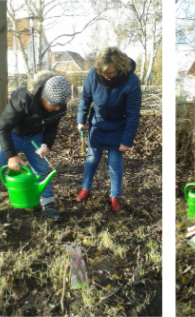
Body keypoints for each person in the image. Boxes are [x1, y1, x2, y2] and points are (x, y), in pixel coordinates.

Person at [0, 71, 72, 224]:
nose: (57, 109)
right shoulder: (22, 98)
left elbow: (52, 127)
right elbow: (2, 127)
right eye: (53, 105)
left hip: (36, 137)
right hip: (12, 135)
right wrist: (11, 155)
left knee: (43, 169)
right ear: (43, 97)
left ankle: (48, 204)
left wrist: (46, 145)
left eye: (60, 106)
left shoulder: (59, 105)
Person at [75, 47, 142, 212]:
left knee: (114, 162)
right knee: (91, 159)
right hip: (97, 123)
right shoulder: (94, 74)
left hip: (118, 126)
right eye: (102, 73)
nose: (105, 77)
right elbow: (85, 97)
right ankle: (85, 189)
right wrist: (81, 119)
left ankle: (115, 197)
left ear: (120, 68)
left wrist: (127, 140)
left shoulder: (131, 81)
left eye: (109, 74)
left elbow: (133, 114)